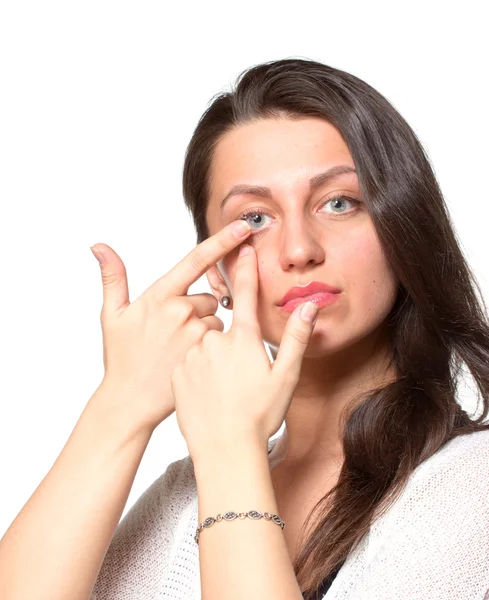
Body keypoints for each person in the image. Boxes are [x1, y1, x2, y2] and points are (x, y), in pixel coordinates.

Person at [1, 57, 489, 600]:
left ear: (402, 229)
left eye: (339, 203)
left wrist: (233, 450)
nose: (300, 250)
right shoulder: (185, 492)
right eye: (255, 218)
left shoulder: (472, 485)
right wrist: (121, 406)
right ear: (217, 267)